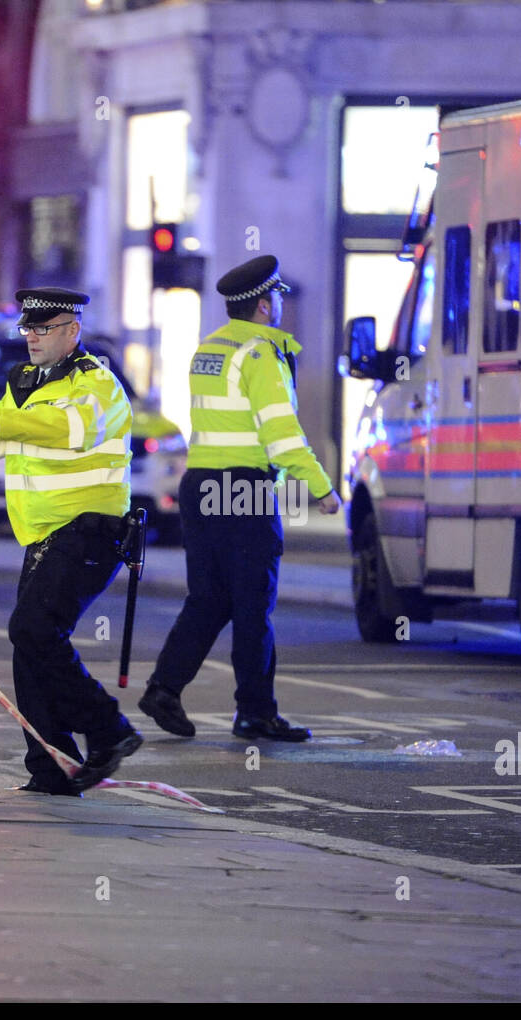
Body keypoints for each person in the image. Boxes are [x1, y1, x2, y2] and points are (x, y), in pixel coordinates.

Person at [138, 256, 341, 743]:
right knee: (253, 607)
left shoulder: (210, 348)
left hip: (200, 483)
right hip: (243, 489)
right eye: (277, 302)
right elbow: (282, 434)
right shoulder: (260, 356)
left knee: (208, 599)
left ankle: (164, 688)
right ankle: (255, 712)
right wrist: (321, 488)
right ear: (266, 305)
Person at [0, 288, 142, 795]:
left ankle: (108, 728)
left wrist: (0, 419)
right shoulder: (24, 382)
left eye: (43, 327)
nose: (31, 336)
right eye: (27, 328)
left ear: (72, 331)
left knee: (33, 630)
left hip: (88, 529)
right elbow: (5, 445)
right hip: (41, 534)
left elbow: (69, 429)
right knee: (28, 646)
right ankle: (52, 764)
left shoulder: (95, 382)